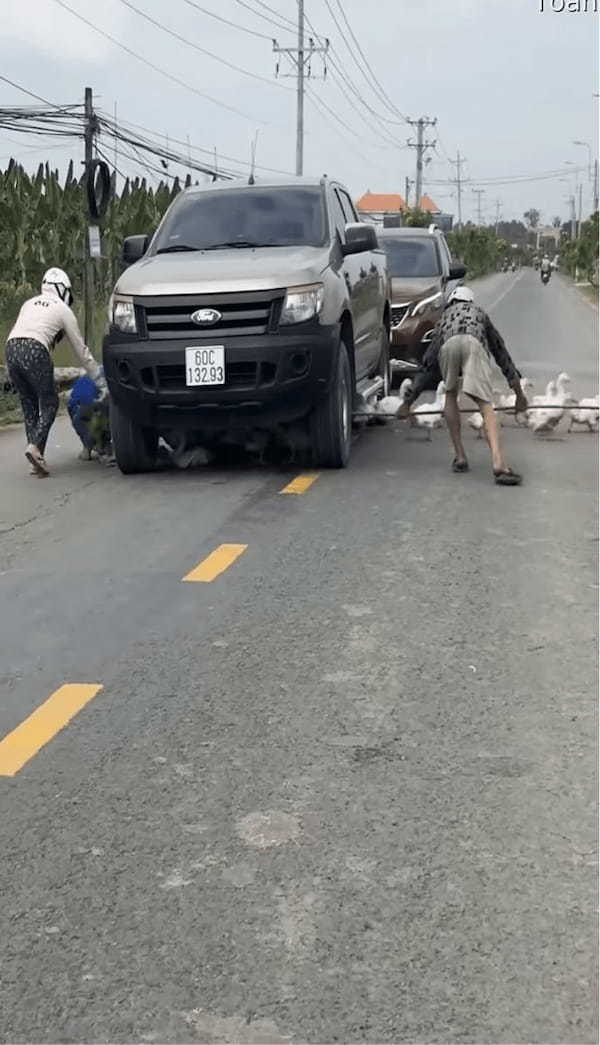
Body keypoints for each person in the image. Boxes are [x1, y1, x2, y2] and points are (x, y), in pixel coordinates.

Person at [397, 286, 528, 485]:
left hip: (448, 344)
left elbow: (427, 365)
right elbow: (502, 355)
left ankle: (460, 456)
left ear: (452, 302)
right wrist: (519, 395)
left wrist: (407, 403)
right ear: (470, 302)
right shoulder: (479, 314)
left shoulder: (444, 319)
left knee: (450, 393)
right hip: (474, 342)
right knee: (485, 404)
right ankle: (499, 463)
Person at [4, 267, 106, 477]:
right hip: (35, 349)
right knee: (49, 403)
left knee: (29, 405)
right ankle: (34, 448)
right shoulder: (62, 309)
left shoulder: (29, 303)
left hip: (11, 349)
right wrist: (100, 380)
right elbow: (82, 351)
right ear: (63, 290)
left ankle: (35, 460)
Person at [68, 371, 111, 461]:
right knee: (103, 423)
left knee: (84, 426)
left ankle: (88, 448)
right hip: (98, 405)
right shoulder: (107, 374)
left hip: (80, 407)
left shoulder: (84, 379)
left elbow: (72, 405)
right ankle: (104, 449)